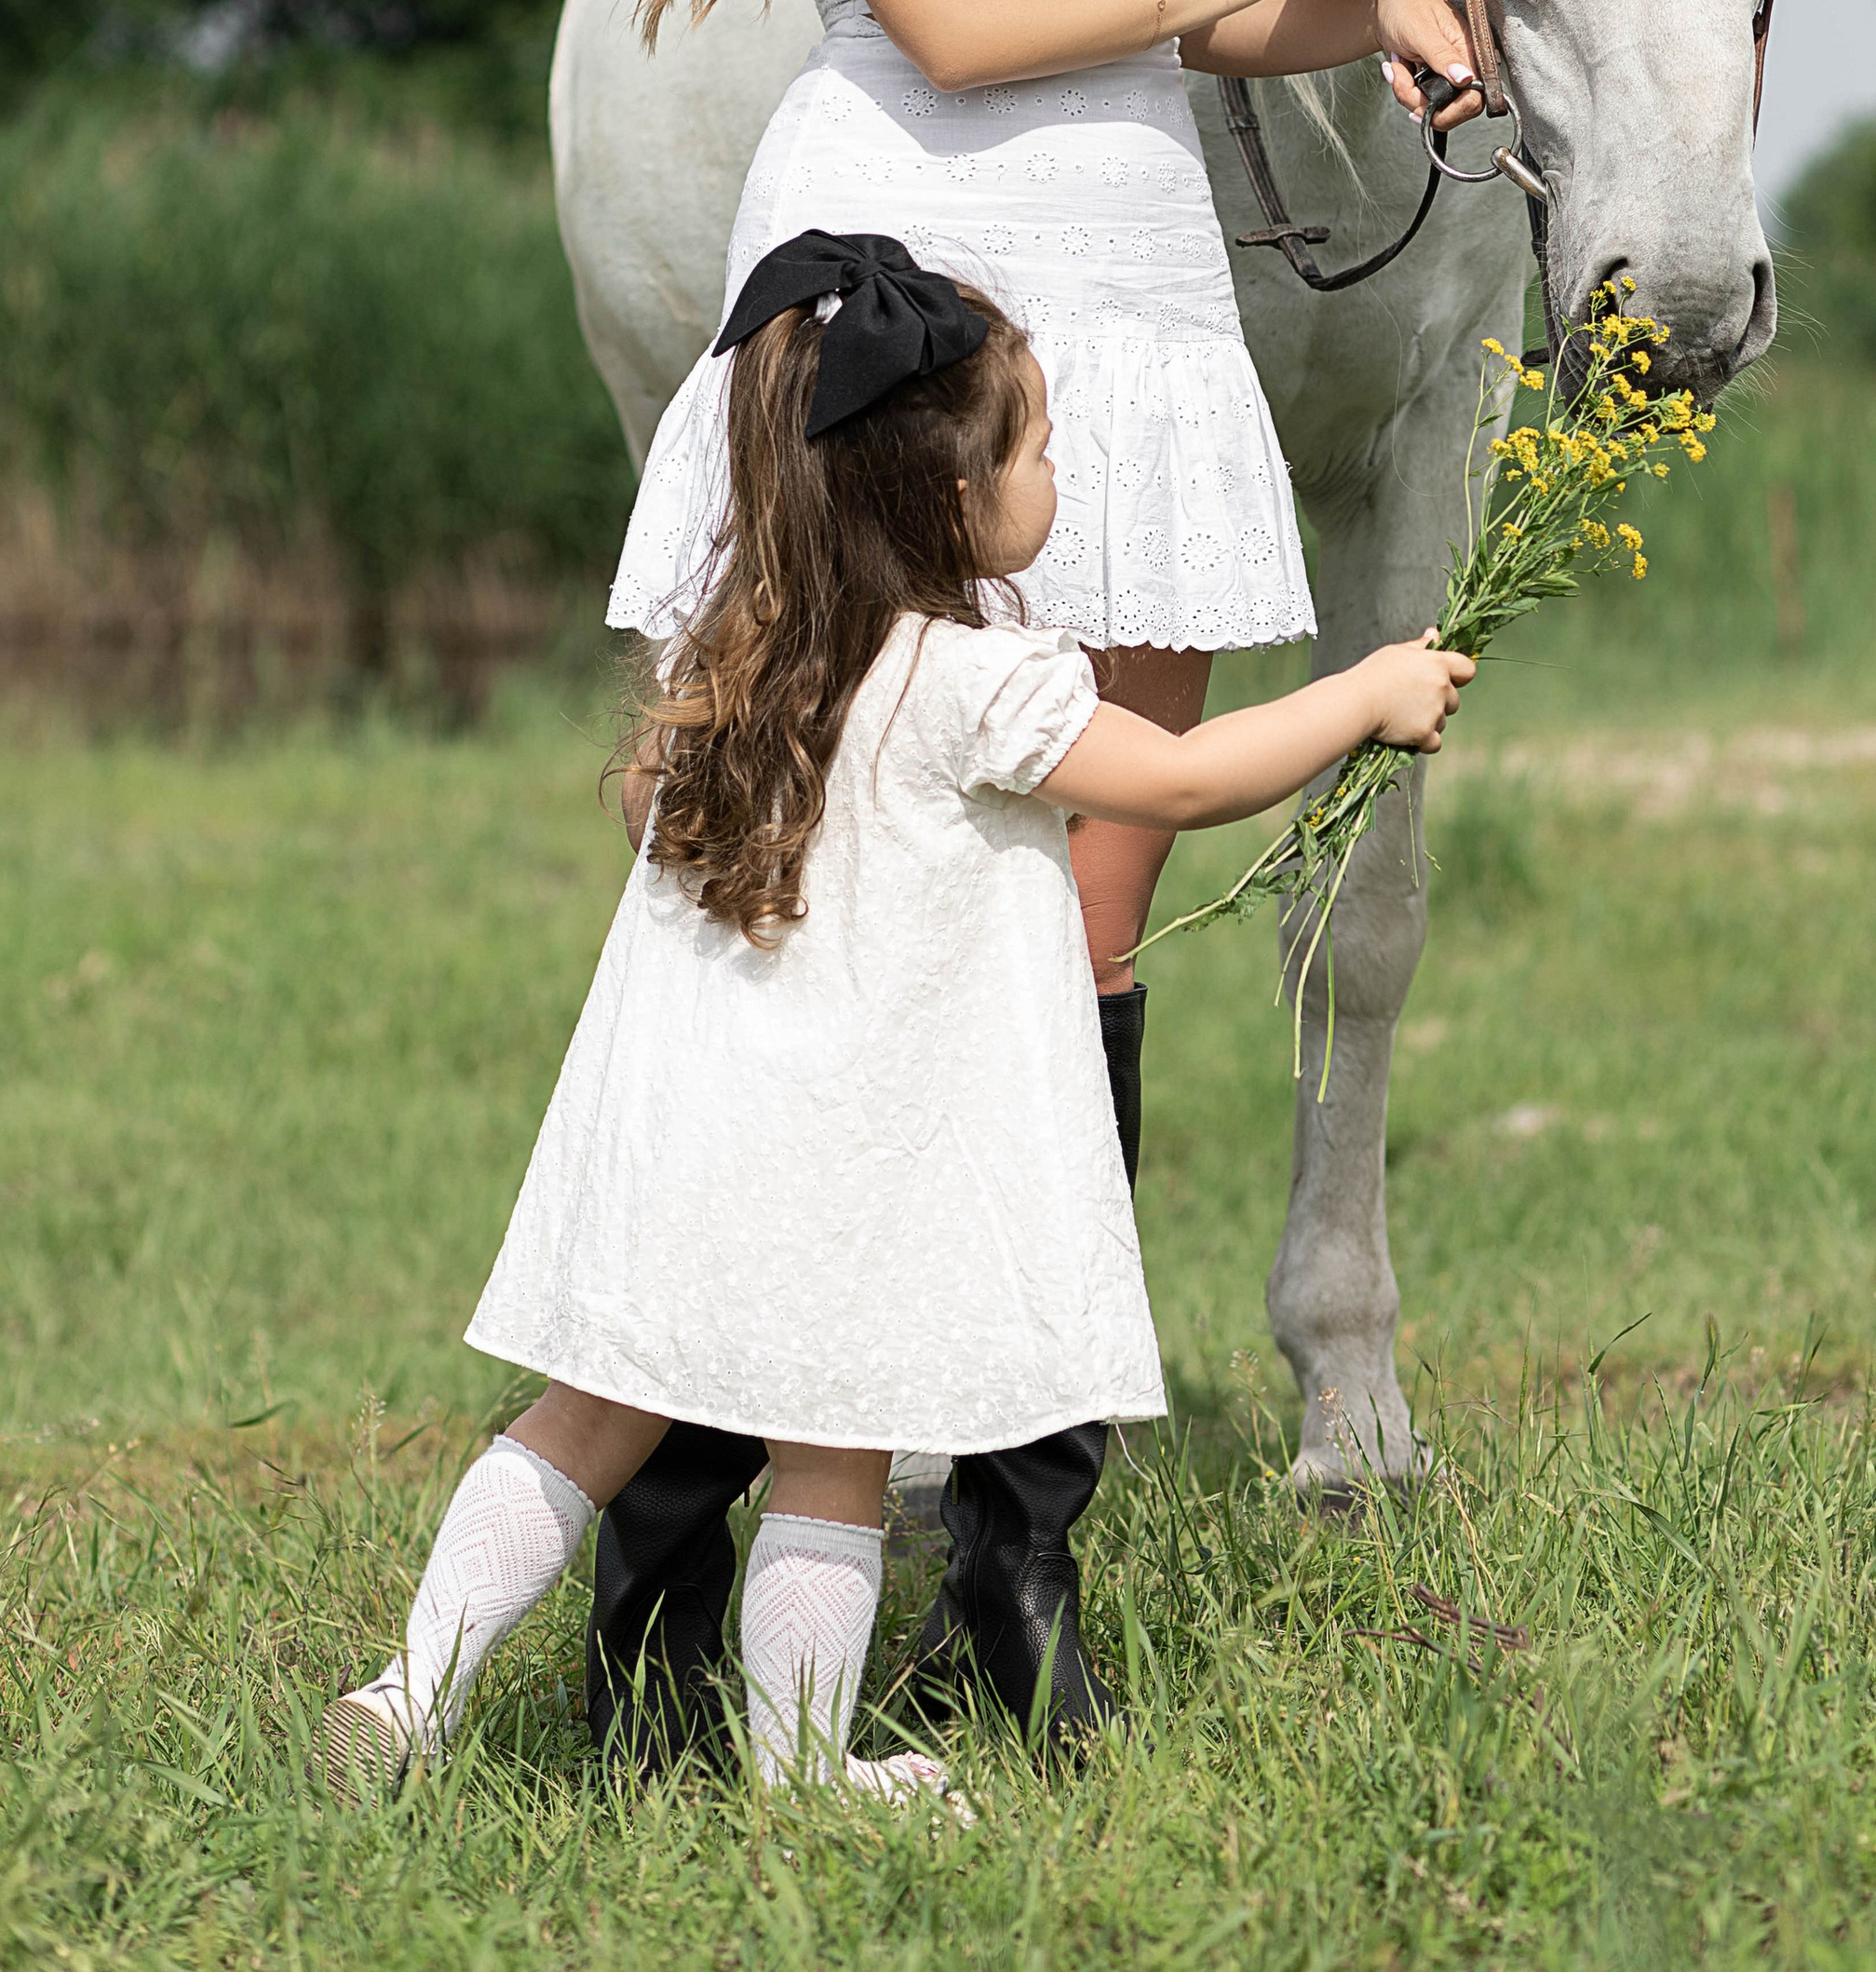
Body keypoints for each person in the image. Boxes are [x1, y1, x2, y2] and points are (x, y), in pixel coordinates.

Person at [591, 0, 1482, 1753]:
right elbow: (968, 18)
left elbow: (1155, 5)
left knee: (1071, 956)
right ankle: (664, 1592)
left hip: (1136, 305)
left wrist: (1364, 11)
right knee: (819, 936)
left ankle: (1013, 1577)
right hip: (904, 307)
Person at [325, 240, 1474, 1801]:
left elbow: (663, 833)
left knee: (582, 1421)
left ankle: (409, 1695)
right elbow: (1187, 778)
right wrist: (1368, 693)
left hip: (684, 1153)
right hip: (849, 1171)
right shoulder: (976, 684)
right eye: (1038, 447)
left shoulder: (728, 654)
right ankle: (800, 1775)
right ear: (951, 497)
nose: (1058, 472)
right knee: (834, 1463)